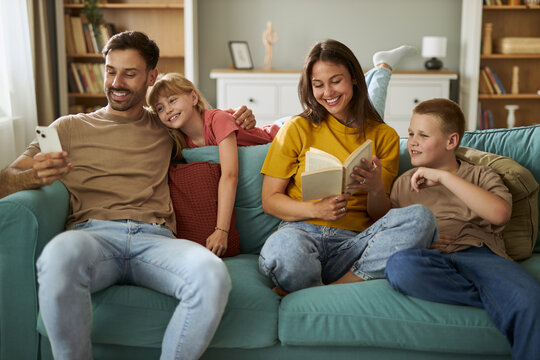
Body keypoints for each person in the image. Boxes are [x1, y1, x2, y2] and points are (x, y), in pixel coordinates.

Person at [0, 31, 254, 360]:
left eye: (129, 73)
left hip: (156, 239)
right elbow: (5, 180)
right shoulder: (69, 127)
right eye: (110, 71)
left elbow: (209, 123)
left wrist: (240, 119)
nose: (117, 82)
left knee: (212, 275)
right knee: (56, 257)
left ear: (152, 77)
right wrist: (34, 176)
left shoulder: (167, 125)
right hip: (93, 235)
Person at [258, 39, 438, 297]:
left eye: (335, 81)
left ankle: (329, 290)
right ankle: (328, 288)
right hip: (300, 235)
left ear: (354, 78)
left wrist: (376, 188)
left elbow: (379, 216)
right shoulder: (296, 128)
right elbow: (270, 200)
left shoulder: (383, 135)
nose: (327, 92)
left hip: (355, 244)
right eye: (318, 85)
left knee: (421, 218)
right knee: (284, 250)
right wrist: (315, 209)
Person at [384, 98, 540, 360]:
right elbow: (389, 230)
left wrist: (445, 177)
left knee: (530, 298)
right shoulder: (403, 183)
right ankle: (497, 299)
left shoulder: (482, 175)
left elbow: (500, 214)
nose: (412, 141)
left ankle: (505, 298)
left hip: (479, 252)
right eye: (410, 134)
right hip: (429, 257)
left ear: (451, 142)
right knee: (399, 266)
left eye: (423, 135)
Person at [146, 72, 280, 256]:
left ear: (193, 97)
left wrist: (221, 231)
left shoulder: (218, 120)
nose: (167, 109)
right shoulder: (181, 141)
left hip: (276, 137)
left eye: (172, 100)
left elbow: (230, 175)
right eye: (160, 108)